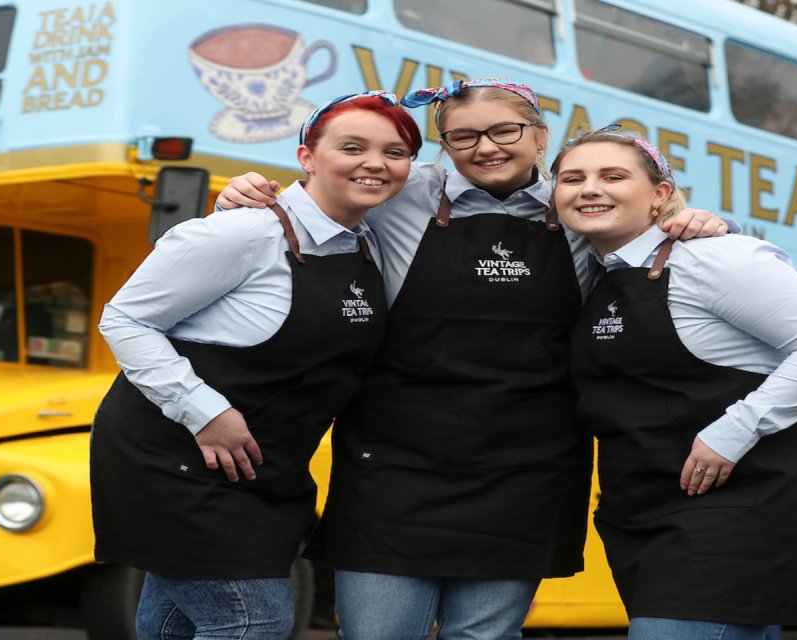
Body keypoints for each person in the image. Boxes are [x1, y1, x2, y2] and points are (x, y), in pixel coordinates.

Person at [215, 79, 729, 640]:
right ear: (444, 145)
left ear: (539, 136)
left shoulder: (580, 204)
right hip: (393, 467)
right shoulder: (400, 192)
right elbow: (318, 204)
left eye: (505, 131)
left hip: (526, 472)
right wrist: (243, 194)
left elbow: (669, 244)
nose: (486, 148)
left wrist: (702, 224)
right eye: (463, 137)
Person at [90, 91, 421, 640]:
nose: (376, 163)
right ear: (307, 157)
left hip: (268, 470)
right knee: (253, 621)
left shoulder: (370, 243)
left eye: (396, 152)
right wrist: (205, 411)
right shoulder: (239, 232)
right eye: (353, 147)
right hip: (176, 460)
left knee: (170, 627)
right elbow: (124, 321)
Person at [553, 125, 797, 640]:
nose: (589, 188)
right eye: (571, 178)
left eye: (613, 175)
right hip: (647, 500)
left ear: (661, 195)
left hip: (751, 489)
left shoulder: (718, 256)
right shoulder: (590, 271)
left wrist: (733, 430)